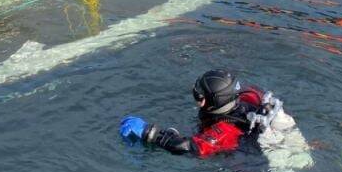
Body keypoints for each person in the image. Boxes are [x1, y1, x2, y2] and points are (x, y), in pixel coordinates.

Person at [119, 69, 279, 157]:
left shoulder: (227, 129)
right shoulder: (248, 95)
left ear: (213, 101)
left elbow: (188, 147)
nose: (196, 98)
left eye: (199, 96)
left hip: (246, 171)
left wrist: (150, 133)